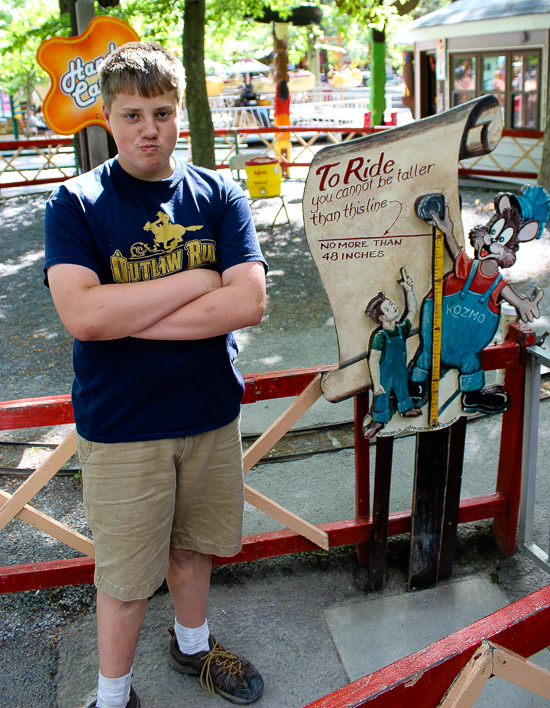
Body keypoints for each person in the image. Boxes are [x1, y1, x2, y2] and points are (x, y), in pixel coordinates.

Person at [44, 42, 267, 708]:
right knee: (125, 572)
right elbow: (82, 316)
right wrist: (196, 279)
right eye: (133, 113)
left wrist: (127, 313)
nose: (150, 128)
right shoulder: (77, 203)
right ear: (108, 118)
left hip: (207, 412)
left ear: (179, 119)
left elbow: (248, 301)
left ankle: (192, 647)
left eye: (163, 112)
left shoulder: (219, 194)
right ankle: (113, 695)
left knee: (195, 547)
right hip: (122, 423)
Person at [363, 268, 422, 439]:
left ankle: (406, 409)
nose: (393, 307)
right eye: (388, 308)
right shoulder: (380, 337)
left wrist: (409, 291)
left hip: (399, 370)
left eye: (391, 304)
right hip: (384, 373)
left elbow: (412, 312)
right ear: (382, 318)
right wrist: (376, 383)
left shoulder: (401, 329)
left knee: (402, 388)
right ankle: (378, 421)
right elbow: (373, 360)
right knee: (382, 395)